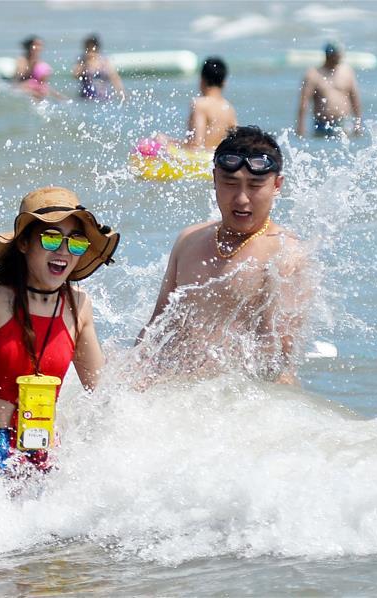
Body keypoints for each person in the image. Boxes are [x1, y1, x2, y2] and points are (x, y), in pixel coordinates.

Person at [0, 187, 120, 512]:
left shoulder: (79, 306)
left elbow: (101, 389)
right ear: (24, 243)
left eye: (76, 242)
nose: (64, 250)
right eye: (51, 238)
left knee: (46, 559)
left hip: (44, 453)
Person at [139, 126, 312, 385]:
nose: (242, 199)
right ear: (214, 180)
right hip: (174, 395)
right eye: (230, 184)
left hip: (235, 404)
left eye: (255, 186)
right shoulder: (188, 240)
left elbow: (279, 361)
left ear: (277, 185)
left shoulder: (285, 254)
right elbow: (156, 329)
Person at [156, 56, 237, 152]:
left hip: (201, 159)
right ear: (224, 82)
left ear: (202, 79)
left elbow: (196, 143)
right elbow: (236, 140)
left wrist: (169, 141)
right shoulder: (229, 108)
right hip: (216, 156)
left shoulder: (200, 104)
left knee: (159, 138)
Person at [296, 41, 362, 138]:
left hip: (344, 122)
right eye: (336, 55)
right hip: (322, 124)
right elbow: (304, 102)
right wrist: (300, 126)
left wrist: (358, 123)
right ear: (328, 55)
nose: (339, 57)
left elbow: (355, 99)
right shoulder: (313, 74)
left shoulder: (347, 72)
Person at [72, 35, 125, 101]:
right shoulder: (82, 61)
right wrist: (85, 64)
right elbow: (75, 75)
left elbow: (115, 78)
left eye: (92, 49)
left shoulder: (104, 62)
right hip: (85, 97)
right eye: (88, 49)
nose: (90, 52)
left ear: (97, 49)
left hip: (102, 97)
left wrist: (122, 93)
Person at [14, 36, 64, 100]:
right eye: (35, 45)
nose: (38, 48)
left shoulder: (42, 64)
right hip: (24, 88)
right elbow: (19, 78)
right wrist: (31, 64)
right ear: (29, 47)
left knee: (60, 97)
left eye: (40, 45)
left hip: (39, 90)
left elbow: (44, 84)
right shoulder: (22, 60)